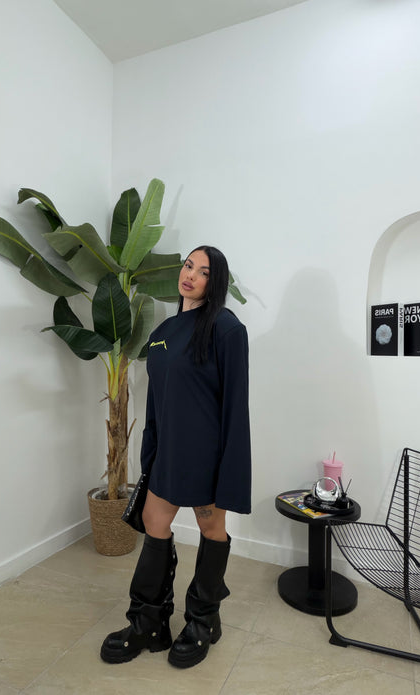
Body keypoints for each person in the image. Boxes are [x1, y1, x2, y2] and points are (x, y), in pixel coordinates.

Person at [100, 245, 251, 669]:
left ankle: (203, 620)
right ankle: (149, 622)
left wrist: (231, 471)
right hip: (169, 452)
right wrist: (150, 453)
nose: (191, 275)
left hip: (207, 456)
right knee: (154, 522)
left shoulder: (226, 329)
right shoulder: (164, 331)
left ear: (214, 282)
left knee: (211, 528)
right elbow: (156, 401)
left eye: (203, 272)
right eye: (188, 266)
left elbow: (235, 407)